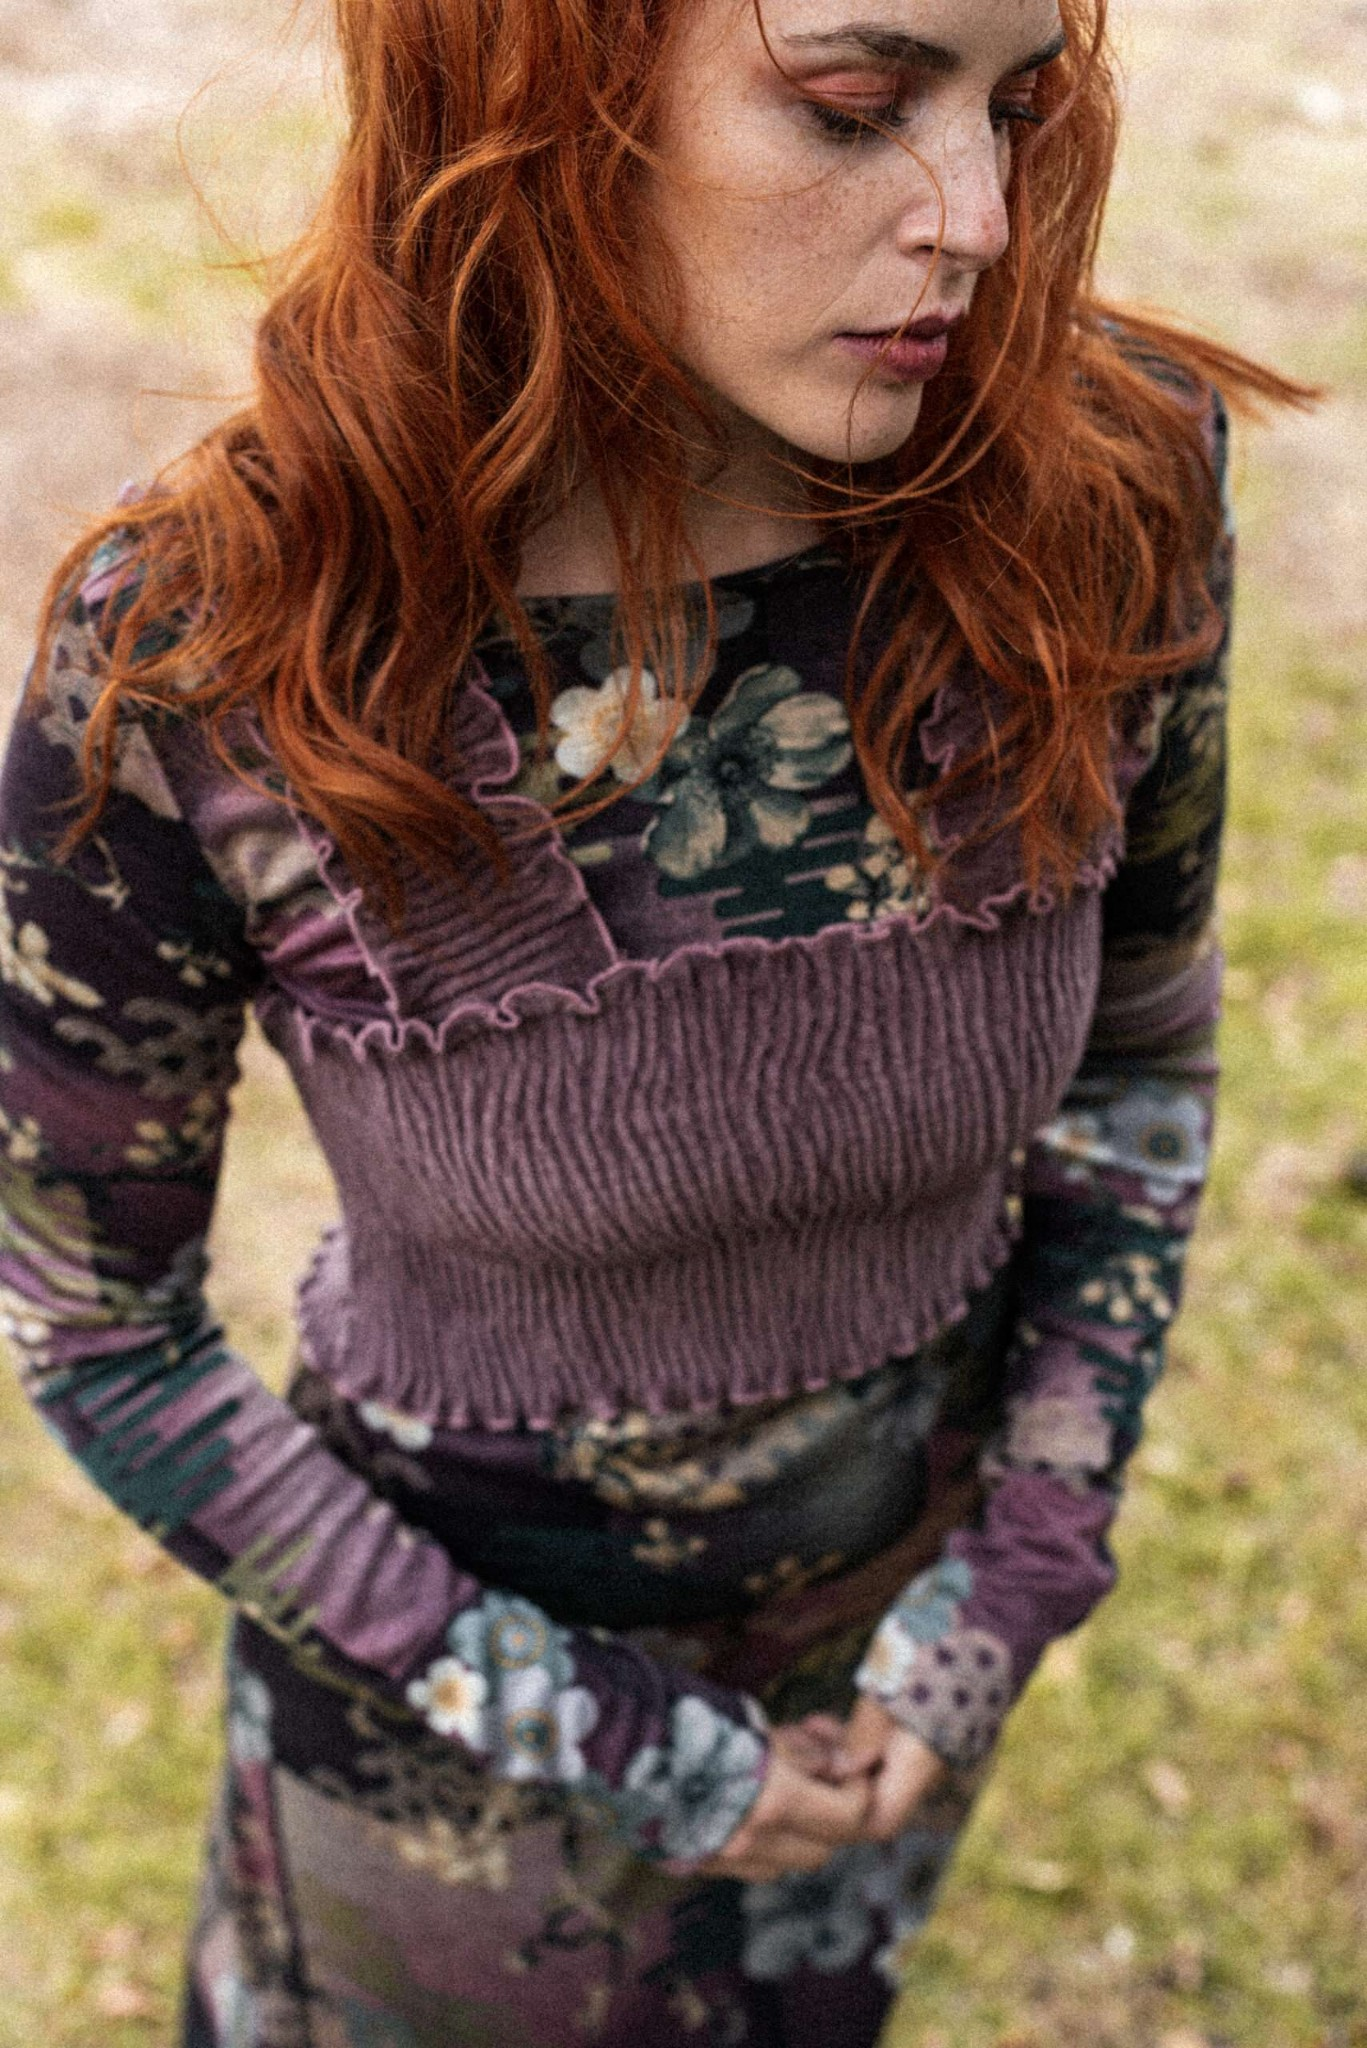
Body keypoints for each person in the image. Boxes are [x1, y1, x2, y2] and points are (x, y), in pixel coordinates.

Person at [0, 0, 1310, 2039]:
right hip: (449, 1793)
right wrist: (613, 1740)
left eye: (1016, 102)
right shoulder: (223, 648)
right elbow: (101, 1326)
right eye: (854, 105)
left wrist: (1010, 1580)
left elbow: (1135, 1072)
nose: (974, 215)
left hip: (886, 1698)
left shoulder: (1106, 492)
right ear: (541, 88)